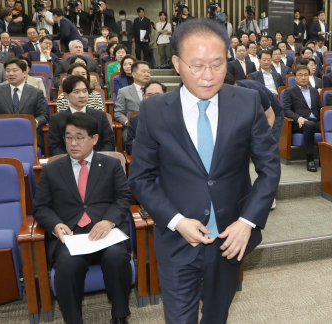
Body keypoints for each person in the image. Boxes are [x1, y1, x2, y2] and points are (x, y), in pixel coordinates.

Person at [128, 18, 279, 323]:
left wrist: (247, 221)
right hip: (177, 238)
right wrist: (177, 221)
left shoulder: (247, 102)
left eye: (218, 64)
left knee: (216, 316)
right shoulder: (154, 110)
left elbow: (269, 168)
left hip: (229, 238)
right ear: (176, 63)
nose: (208, 76)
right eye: (197, 65)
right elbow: (140, 178)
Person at [34, 111, 130, 324]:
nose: (73, 143)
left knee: (117, 258)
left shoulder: (111, 165)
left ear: (94, 139)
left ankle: (120, 316)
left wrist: (109, 221)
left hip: (104, 233)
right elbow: (40, 207)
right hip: (70, 236)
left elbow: (123, 198)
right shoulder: (51, 169)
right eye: (68, 137)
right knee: (68, 266)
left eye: (79, 137)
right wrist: (56, 224)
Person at [0, 58, 47, 147]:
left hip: (28, 132)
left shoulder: (36, 92)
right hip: (2, 133)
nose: (11, 74)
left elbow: (43, 116)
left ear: (24, 73)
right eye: (8, 71)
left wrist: (32, 123)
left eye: (15, 71)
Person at [48, 75, 114, 156]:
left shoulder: (100, 116)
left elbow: (109, 143)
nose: (82, 95)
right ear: (66, 95)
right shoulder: (56, 119)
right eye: (76, 91)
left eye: (85, 91)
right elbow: (54, 147)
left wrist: (95, 160)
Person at [283, 64, 322, 172]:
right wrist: (298, 118)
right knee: (309, 124)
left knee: (330, 124)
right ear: (295, 77)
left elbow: (320, 108)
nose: (303, 77)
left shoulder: (314, 91)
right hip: (298, 123)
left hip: (316, 121)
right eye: (300, 75)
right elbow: (286, 110)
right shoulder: (289, 91)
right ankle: (310, 159)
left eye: (306, 75)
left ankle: (327, 157)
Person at [124, 80, 166, 155]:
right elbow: (129, 147)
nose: (153, 98)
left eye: (157, 94)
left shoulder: (174, 118)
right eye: (149, 95)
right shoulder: (135, 120)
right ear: (144, 97)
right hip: (145, 161)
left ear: (165, 96)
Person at [114, 60, 150, 140]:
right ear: (134, 74)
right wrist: (128, 122)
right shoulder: (123, 91)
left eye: (148, 72)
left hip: (153, 128)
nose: (147, 74)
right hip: (133, 129)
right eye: (143, 72)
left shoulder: (155, 90)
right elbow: (118, 113)